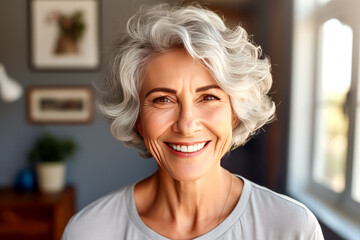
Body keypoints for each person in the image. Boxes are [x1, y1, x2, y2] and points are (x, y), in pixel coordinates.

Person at [62, 4, 324, 240]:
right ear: (137, 119)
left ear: (234, 114)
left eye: (208, 97)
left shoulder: (292, 228)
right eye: (163, 100)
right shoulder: (90, 231)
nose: (186, 125)